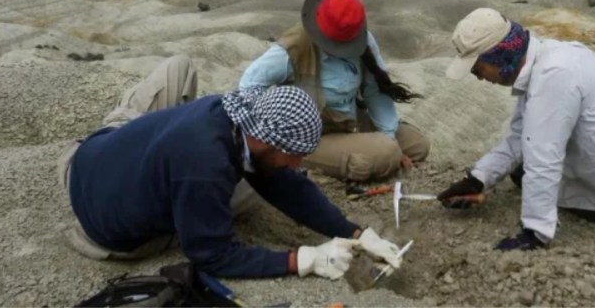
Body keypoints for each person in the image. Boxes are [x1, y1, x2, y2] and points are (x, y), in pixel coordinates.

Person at [57, 55, 402, 280]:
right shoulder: (205, 169)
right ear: (271, 142)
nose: (298, 164)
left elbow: (284, 181)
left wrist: (354, 232)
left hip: (88, 157)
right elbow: (213, 255)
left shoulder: (230, 113)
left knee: (177, 73)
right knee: (250, 190)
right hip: (104, 233)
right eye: (295, 154)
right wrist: (304, 260)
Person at [437, 8, 595, 251]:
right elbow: (520, 137)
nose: (479, 78)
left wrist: (534, 233)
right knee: (522, 168)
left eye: (476, 69)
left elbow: (542, 158)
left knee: (525, 174)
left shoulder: (553, 79)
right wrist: (478, 179)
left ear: (497, 56)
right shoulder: (557, 54)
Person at [239, 0, 430, 182]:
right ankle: (304, 161)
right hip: (313, 136)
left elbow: (375, 92)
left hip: (350, 120)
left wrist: (389, 135)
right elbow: (249, 85)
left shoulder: (364, 40)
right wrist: (273, 138)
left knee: (417, 145)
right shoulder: (294, 49)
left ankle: (374, 150)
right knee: (386, 153)